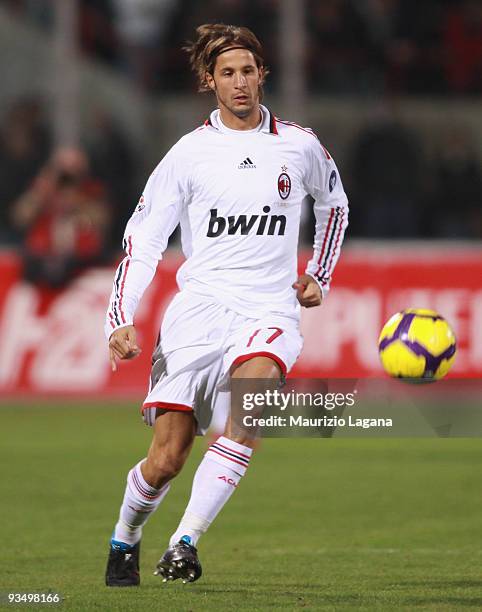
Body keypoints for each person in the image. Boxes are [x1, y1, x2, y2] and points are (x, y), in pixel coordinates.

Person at [104, 23, 349, 587]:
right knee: (166, 458)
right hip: (200, 312)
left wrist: (320, 275)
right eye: (227, 73)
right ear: (208, 80)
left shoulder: (299, 144)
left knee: (249, 411)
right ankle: (127, 534)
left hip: (269, 310)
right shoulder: (189, 155)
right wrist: (120, 318)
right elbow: (143, 241)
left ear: (263, 74)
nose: (240, 83)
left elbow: (334, 203)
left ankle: (183, 542)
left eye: (248, 71)